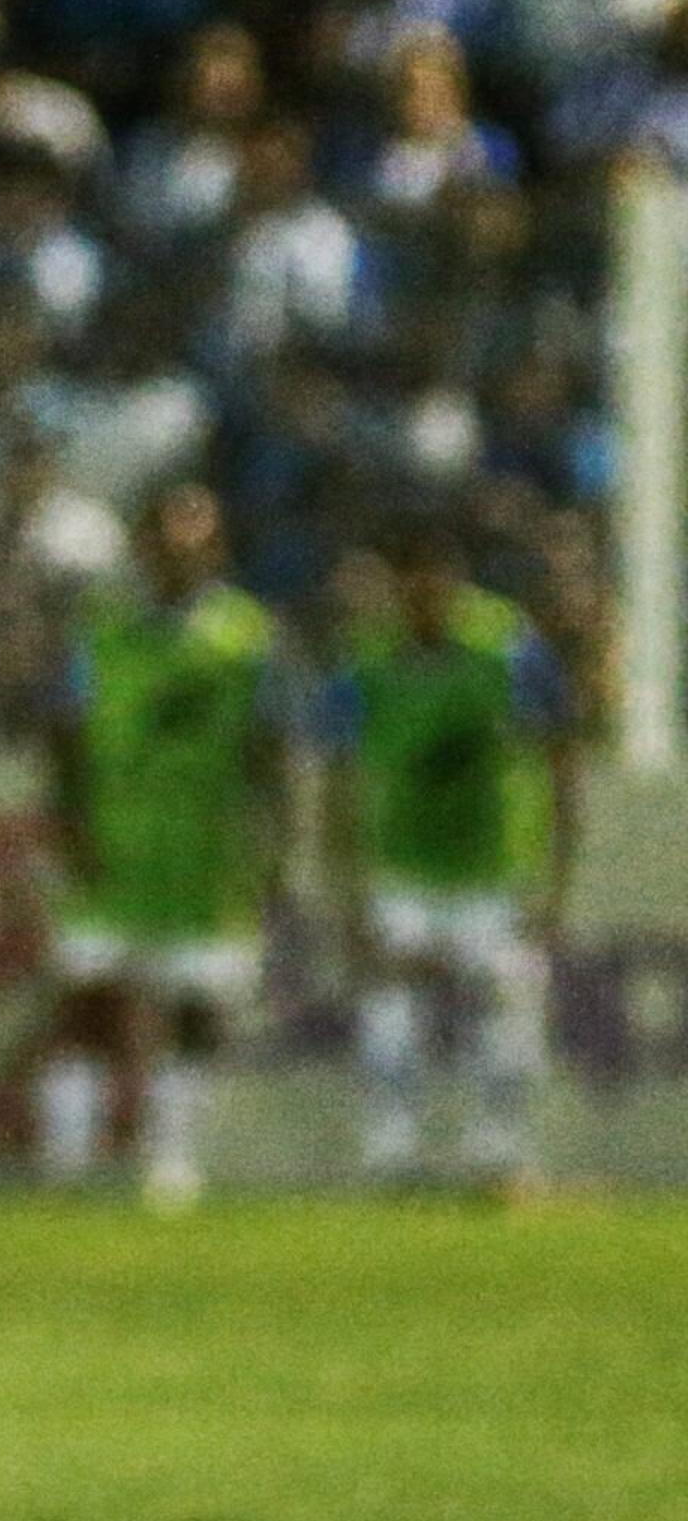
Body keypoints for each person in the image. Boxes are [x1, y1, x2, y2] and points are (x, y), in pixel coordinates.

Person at [32, 484, 284, 1210]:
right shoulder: (102, 631)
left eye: (193, 540)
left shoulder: (247, 638)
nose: (177, 554)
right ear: (141, 547)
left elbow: (266, 749)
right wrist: (67, 827)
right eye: (164, 539)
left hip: (206, 850)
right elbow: (65, 735)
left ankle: (171, 1156)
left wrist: (272, 848)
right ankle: (68, 1158)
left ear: (215, 549)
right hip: (114, 841)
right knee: (86, 1000)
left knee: (196, 1007)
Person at [318, 517, 579, 1191]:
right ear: (397, 587)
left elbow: (559, 757)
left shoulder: (509, 648)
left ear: (457, 583)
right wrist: (345, 887)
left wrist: (554, 879)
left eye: (440, 579)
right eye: (414, 581)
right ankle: (392, 1152)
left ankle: (500, 1151)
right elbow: (339, 780)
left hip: (493, 868)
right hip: (402, 867)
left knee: (509, 1001)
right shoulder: (364, 662)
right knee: (390, 1003)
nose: (427, 594)